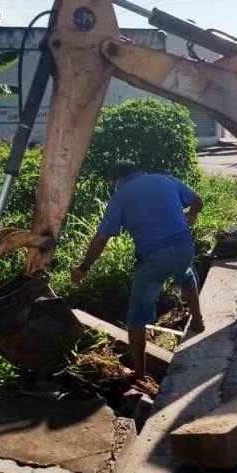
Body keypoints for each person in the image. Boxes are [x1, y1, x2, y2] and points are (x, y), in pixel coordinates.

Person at [72, 161, 204, 381]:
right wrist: (191, 215)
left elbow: (101, 238)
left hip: (154, 259)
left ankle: (139, 374)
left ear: (117, 180)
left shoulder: (121, 195)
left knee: (136, 316)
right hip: (184, 247)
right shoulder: (165, 179)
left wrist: (83, 268)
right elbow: (198, 201)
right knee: (185, 274)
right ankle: (198, 321)